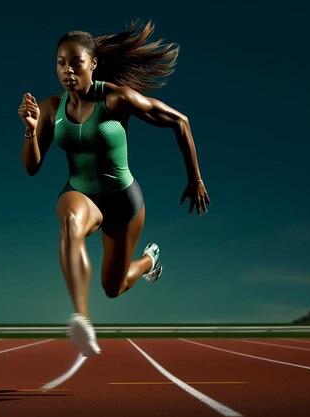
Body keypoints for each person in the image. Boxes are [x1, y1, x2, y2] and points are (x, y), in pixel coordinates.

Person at [18, 20, 210, 357]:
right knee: (69, 221)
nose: (67, 70)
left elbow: (181, 121)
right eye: (61, 62)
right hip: (81, 193)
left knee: (114, 287)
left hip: (124, 202)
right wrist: (31, 131)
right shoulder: (50, 108)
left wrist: (195, 179)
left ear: (93, 63)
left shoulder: (117, 99)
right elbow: (32, 168)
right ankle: (81, 320)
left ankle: (149, 260)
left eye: (75, 62)